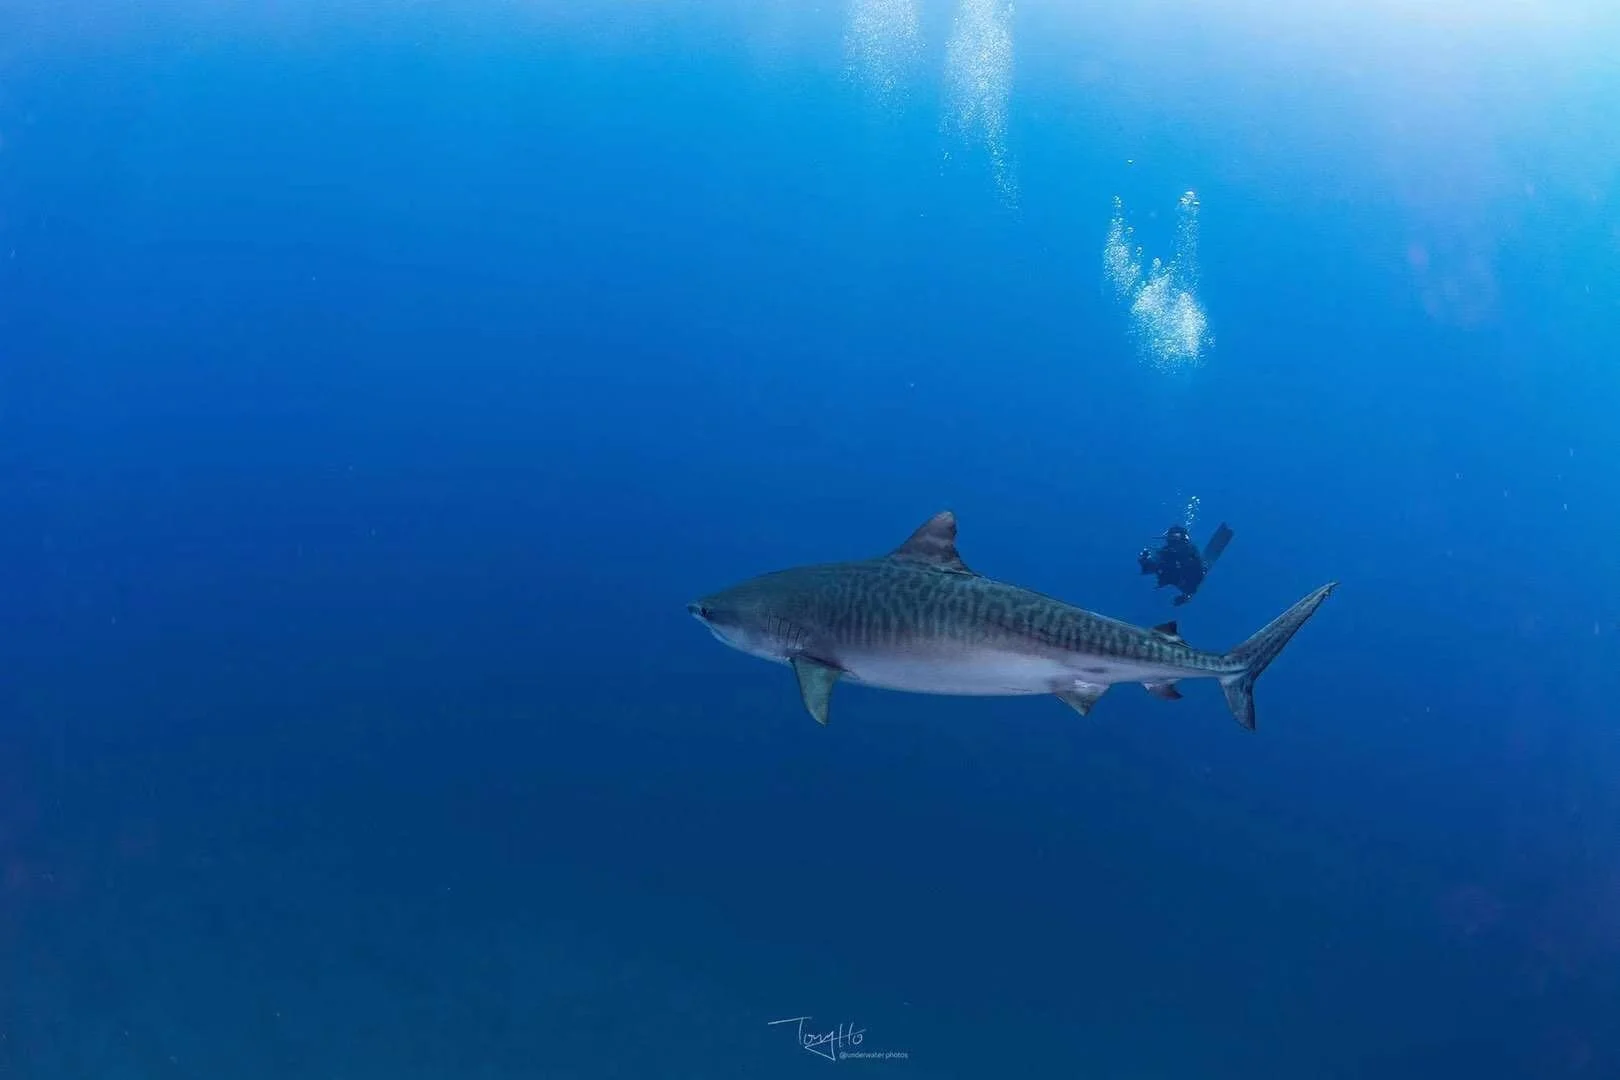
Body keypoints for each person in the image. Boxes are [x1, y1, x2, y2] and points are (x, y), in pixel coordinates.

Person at [1139, 522, 1233, 606]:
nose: (1173, 544)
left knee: (1199, 571)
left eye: (1175, 540)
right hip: (1174, 581)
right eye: (1171, 540)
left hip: (1187, 581)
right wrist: (1145, 561)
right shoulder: (1165, 552)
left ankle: (1186, 594)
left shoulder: (1190, 551)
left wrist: (1187, 595)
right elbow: (1153, 566)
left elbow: (1197, 576)